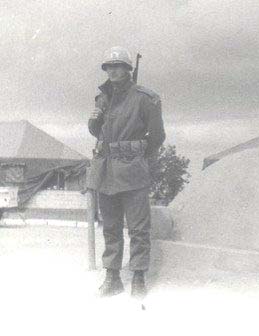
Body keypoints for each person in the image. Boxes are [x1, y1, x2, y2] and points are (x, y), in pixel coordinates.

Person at [87, 46, 165, 298]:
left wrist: (139, 159)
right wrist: (94, 120)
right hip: (105, 170)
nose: (113, 71)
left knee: (138, 229)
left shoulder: (145, 98)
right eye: (109, 66)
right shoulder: (102, 97)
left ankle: (139, 277)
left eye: (118, 66)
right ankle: (112, 278)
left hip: (132, 172)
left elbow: (157, 137)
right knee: (110, 226)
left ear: (128, 69)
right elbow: (96, 131)